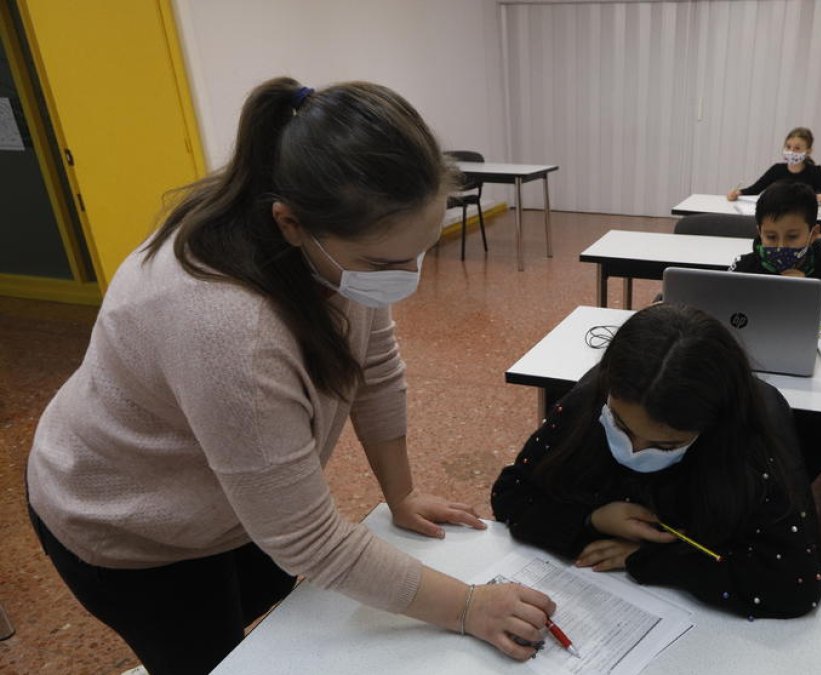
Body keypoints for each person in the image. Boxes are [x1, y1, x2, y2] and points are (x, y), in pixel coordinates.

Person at [25, 77, 555, 674]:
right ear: (290, 222)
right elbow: (308, 540)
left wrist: (400, 494)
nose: (405, 277)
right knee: (212, 659)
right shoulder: (226, 329)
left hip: (227, 501)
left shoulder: (337, 247)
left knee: (282, 621)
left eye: (421, 250)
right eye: (385, 264)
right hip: (130, 523)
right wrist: (469, 608)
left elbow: (375, 367)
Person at [491, 304, 821, 619]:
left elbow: (796, 583)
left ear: (710, 428)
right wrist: (593, 520)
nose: (635, 450)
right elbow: (511, 494)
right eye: (620, 426)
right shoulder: (589, 402)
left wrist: (651, 559)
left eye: (665, 445)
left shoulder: (746, 444)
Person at [730, 182, 821, 328]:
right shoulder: (744, 267)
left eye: (792, 237)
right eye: (771, 237)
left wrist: (807, 294)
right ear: (760, 233)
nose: (781, 247)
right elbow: (721, 315)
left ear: (813, 234)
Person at [727, 126, 821, 204]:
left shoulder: (815, 172)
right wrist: (737, 193)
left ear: (808, 151)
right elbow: (755, 189)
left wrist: (819, 197)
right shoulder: (777, 169)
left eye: (797, 148)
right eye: (788, 147)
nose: (791, 151)